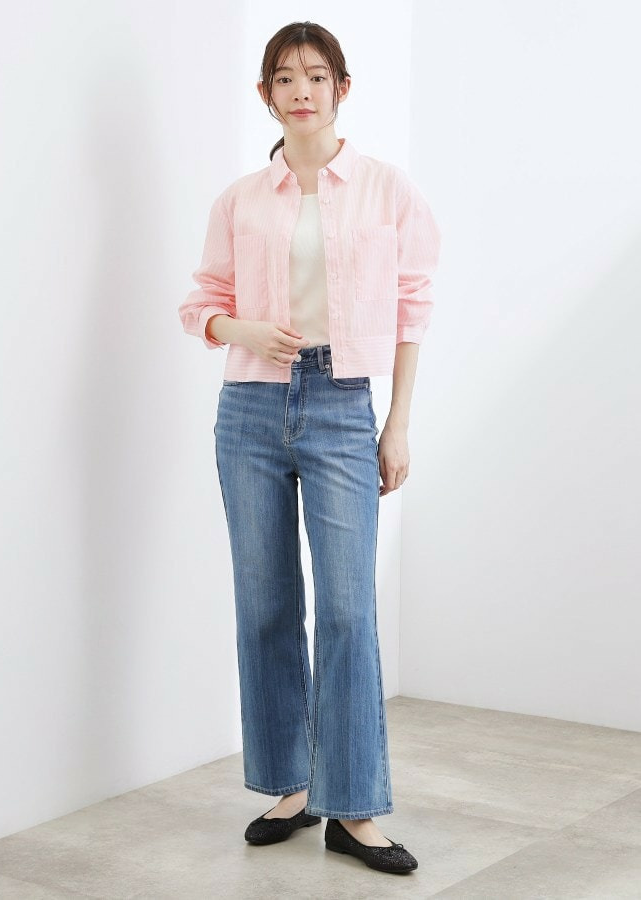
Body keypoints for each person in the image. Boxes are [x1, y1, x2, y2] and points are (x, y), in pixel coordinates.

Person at [178, 21, 441, 876]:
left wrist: (396, 423)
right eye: (285, 78)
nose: (301, 91)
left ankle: (353, 808)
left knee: (349, 609)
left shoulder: (386, 190)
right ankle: (291, 787)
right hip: (250, 408)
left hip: (341, 404)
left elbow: (412, 308)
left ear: (341, 88)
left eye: (316, 76)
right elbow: (201, 305)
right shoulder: (240, 200)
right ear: (265, 94)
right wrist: (242, 329)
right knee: (265, 607)